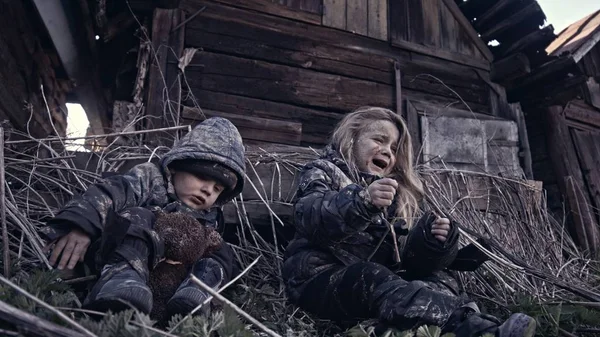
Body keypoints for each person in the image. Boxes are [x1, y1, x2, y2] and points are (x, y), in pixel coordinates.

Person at [282, 107, 537, 337]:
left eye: (394, 148)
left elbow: (409, 260)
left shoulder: (396, 194)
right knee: (371, 276)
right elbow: (310, 216)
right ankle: (477, 330)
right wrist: (361, 202)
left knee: (438, 279)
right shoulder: (324, 171)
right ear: (351, 139)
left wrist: (434, 244)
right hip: (320, 279)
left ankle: (392, 330)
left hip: (380, 288)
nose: (387, 151)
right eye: (379, 140)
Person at [40, 117, 246, 317]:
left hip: (172, 283)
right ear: (175, 166)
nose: (208, 190)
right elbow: (109, 193)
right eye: (202, 177)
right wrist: (83, 225)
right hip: (124, 264)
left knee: (220, 250)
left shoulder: (210, 218)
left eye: (217, 188)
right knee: (139, 217)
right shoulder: (149, 180)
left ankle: (197, 293)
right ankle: (122, 280)